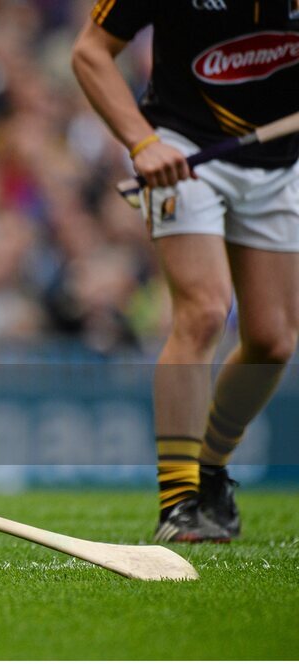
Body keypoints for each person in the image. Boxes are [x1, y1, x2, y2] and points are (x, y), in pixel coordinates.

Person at [72, 1, 299, 541]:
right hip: (185, 147)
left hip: (280, 160)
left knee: (273, 341)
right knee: (204, 312)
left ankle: (210, 470)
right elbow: (90, 52)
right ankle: (179, 502)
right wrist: (143, 143)